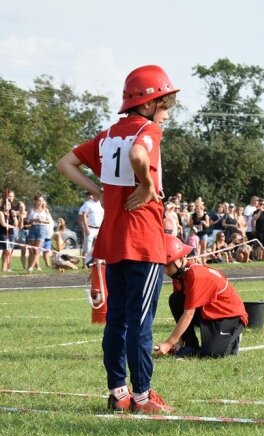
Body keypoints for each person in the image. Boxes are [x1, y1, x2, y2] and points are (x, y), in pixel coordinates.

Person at [56, 64, 179, 413]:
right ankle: (142, 397)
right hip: (143, 241)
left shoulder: (108, 134)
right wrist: (146, 185)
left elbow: (65, 163)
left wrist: (98, 190)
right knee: (141, 322)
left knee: (116, 321)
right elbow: (139, 154)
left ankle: (118, 392)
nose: (167, 113)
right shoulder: (149, 129)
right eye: (165, 104)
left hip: (112, 239)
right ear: (148, 103)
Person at [154, 235, 247, 358]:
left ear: (181, 258)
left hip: (229, 316)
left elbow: (188, 314)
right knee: (176, 299)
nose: (165, 270)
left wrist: (168, 343)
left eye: (167, 265)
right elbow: (183, 307)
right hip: (208, 312)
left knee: (211, 354)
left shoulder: (195, 276)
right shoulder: (179, 276)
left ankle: (233, 337)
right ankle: (190, 345)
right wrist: (179, 340)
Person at [78, 191, 104, 267]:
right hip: (90, 228)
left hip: (99, 228)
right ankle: (85, 264)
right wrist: (86, 227)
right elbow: (84, 216)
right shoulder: (88, 204)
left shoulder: (100, 204)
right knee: (87, 247)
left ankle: (96, 262)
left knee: (98, 246)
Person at [0, 190, 19, 272]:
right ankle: (4, 267)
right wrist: (13, 227)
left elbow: (16, 224)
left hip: (11, 233)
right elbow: (3, 224)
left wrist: (14, 217)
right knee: (6, 250)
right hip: (3, 233)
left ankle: (7, 267)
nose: (7, 206)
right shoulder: (1, 212)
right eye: (6, 204)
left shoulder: (12, 212)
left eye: (8, 205)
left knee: (10, 251)